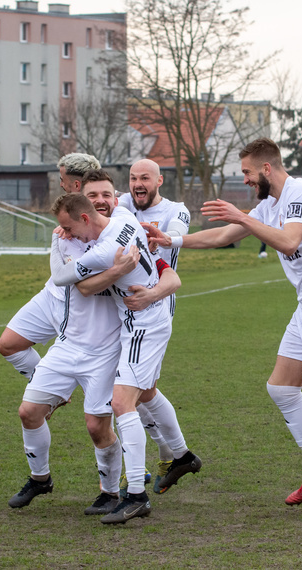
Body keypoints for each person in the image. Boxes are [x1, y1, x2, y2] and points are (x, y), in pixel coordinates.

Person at [146, 138, 302, 515]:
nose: (247, 180)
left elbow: (289, 242)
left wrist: (243, 216)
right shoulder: (268, 206)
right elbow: (223, 235)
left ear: (267, 169)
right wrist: (170, 239)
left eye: (248, 173)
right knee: (282, 388)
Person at [8, 170, 182, 517]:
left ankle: (119, 491)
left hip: (107, 348)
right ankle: (41, 478)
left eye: (107, 194)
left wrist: (151, 293)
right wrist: (62, 242)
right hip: (67, 343)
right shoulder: (75, 235)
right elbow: (73, 283)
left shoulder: (120, 226)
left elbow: (169, 275)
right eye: (94, 194)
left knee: (108, 418)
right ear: (82, 198)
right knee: (28, 411)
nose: (102, 199)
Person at [51, 178, 202, 525]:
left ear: (85, 219)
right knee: (145, 392)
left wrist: (59, 248)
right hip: (151, 316)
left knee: (122, 404)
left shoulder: (106, 251)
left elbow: (63, 278)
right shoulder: (125, 220)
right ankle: (182, 456)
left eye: (70, 228)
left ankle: (136, 495)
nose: (69, 235)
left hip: (142, 325)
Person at [118, 159, 192, 493]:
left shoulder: (177, 210)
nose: (138, 184)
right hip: (119, 309)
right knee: (138, 390)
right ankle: (168, 454)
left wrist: (161, 238)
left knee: (137, 390)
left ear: (159, 180)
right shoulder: (121, 204)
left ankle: (158, 457)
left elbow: (177, 234)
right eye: (133, 178)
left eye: (144, 178)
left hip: (156, 307)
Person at [0, 153, 102, 381]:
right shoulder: (67, 211)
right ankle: (51, 391)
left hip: (82, 307)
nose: (60, 184)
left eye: (62, 179)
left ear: (75, 184)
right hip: (52, 294)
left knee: (106, 385)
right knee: (8, 344)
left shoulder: (112, 212)